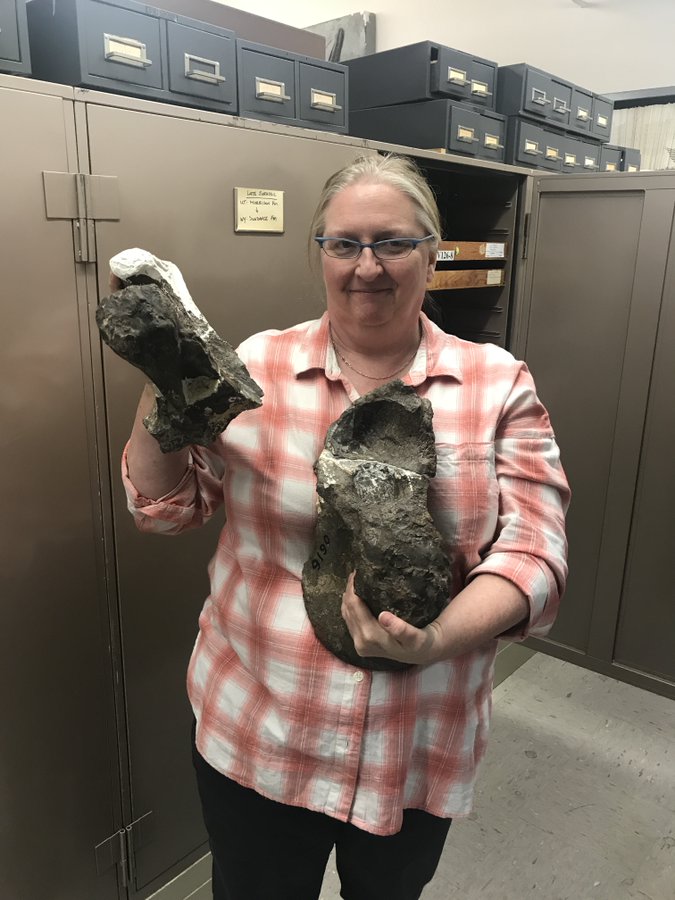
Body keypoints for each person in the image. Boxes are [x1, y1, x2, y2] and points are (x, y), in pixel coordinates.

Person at [121, 153, 570, 900]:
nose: (368, 266)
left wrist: (438, 638)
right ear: (319, 253)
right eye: (344, 244)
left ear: (432, 253)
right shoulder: (256, 365)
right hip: (261, 729)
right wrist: (161, 379)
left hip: (414, 741)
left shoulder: (496, 381)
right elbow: (166, 508)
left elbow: (535, 548)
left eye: (392, 243)